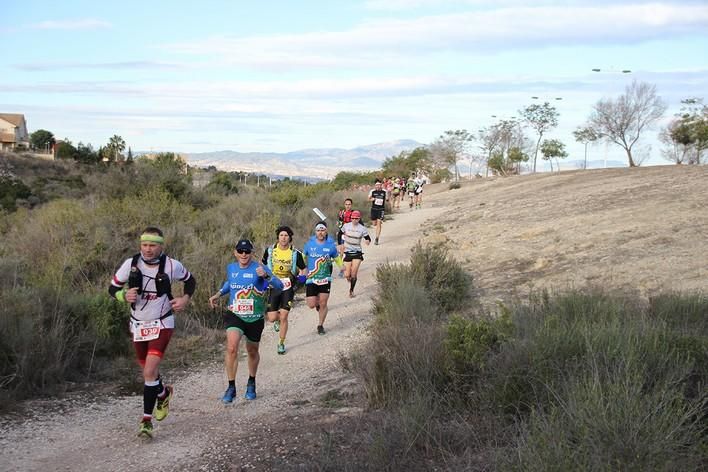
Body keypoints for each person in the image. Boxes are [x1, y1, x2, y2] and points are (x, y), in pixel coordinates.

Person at [109, 227, 196, 438]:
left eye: (152, 245)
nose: (147, 250)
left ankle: (146, 421)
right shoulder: (130, 264)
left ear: (161, 246)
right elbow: (112, 288)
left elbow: (190, 281)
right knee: (149, 372)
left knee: (148, 372)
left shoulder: (171, 265)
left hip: (162, 323)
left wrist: (184, 299)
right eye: (144, 245)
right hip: (138, 325)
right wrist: (123, 295)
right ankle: (163, 393)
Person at [208, 239, 283, 403]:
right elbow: (231, 283)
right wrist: (219, 294)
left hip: (255, 318)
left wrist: (267, 276)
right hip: (235, 314)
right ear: (235, 253)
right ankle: (231, 387)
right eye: (240, 251)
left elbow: (279, 285)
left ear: (251, 253)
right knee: (232, 347)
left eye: (247, 251)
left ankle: (251, 382)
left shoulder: (259, 268)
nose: (243, 254)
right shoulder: (231, 268)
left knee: (252, 351)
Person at [261, 226, 307, 355]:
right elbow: (263, 265)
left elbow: (303, 268)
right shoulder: (270, 251)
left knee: (284, 316)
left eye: (286, 235)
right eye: (281, 235)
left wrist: (302, 279)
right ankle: (276, 321)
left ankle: (281, 343)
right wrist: (264, 280)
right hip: (274, 285)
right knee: (271, 317)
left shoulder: (295, 253)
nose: (283, 238)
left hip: (288, 285)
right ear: (278, 237)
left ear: (290, 238)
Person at [303, 221, 340, 334]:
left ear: (326, 231)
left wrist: (343, 267)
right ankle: (317, 304)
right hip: (311, 278)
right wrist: (302, 270)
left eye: (322, 230)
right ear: (315, 232)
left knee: (323, 303)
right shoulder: (309, 244)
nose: (320, 232)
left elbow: (337, 258)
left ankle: (320, 325)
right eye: (318, 230)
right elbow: (302, 257)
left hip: (325, 278)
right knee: (311, 304)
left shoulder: (330, 245)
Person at [338, 210, 371, 297]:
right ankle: (350, 279)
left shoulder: (362, 228)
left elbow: (368, 238)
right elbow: (339, 234)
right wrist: (340, 244)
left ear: (359, 219)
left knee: (353, 273)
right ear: (351, 218)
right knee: (346, 275)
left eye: (356, 218)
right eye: (352, 218)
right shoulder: (346, 226)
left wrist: (367, 241)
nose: (354, 220)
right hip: (347, 252)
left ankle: (351, 290)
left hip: (357, 252)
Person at [336, 198, 354, 278]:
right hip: (343, 235)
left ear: (351, 205)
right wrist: (339, 228)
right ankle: (341, 269)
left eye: (349, 204)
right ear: (344, 205)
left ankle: (350, 267)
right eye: (346, 204)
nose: (348, 206)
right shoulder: (341, 213)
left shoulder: (354, 213)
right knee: (341, 253)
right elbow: (340, 223)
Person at [368, 179, 387, 245]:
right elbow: (368, 199)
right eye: (377, 185)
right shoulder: (372, 191)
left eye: (379, 185)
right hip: (374, 209)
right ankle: (377, 223)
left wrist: (387, 199)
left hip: (381, 209)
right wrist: (372, 199)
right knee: (374, 224)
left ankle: (377, 238)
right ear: (375, 186)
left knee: (379, 223)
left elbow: (387, 198)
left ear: (381, 185)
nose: (378, 186)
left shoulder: (384, 191)